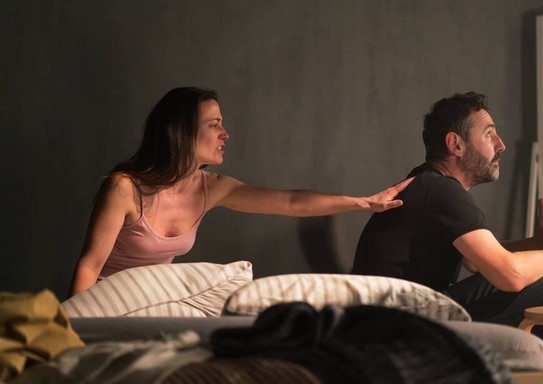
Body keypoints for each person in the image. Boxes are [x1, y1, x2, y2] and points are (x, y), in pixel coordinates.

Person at [69, 87, 412, 296]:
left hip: (153, 297)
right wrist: (74, 335)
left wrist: (362, 202)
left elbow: (291, 202)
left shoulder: (213, 188)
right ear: (182, 132)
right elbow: (89, 266)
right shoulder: (124, 188)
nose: (225, 134)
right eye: (214, 124)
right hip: (107, 298)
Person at [352, 92, 543, 345]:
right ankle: (525, 370)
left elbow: (477, 261)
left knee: (526, 278)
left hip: (392, 321)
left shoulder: (428, 183)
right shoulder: (442, 192)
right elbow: (510, 275)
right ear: (456, 144)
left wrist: (537, 244)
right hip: (400, 330)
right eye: (489, 134)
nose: (501, 145)